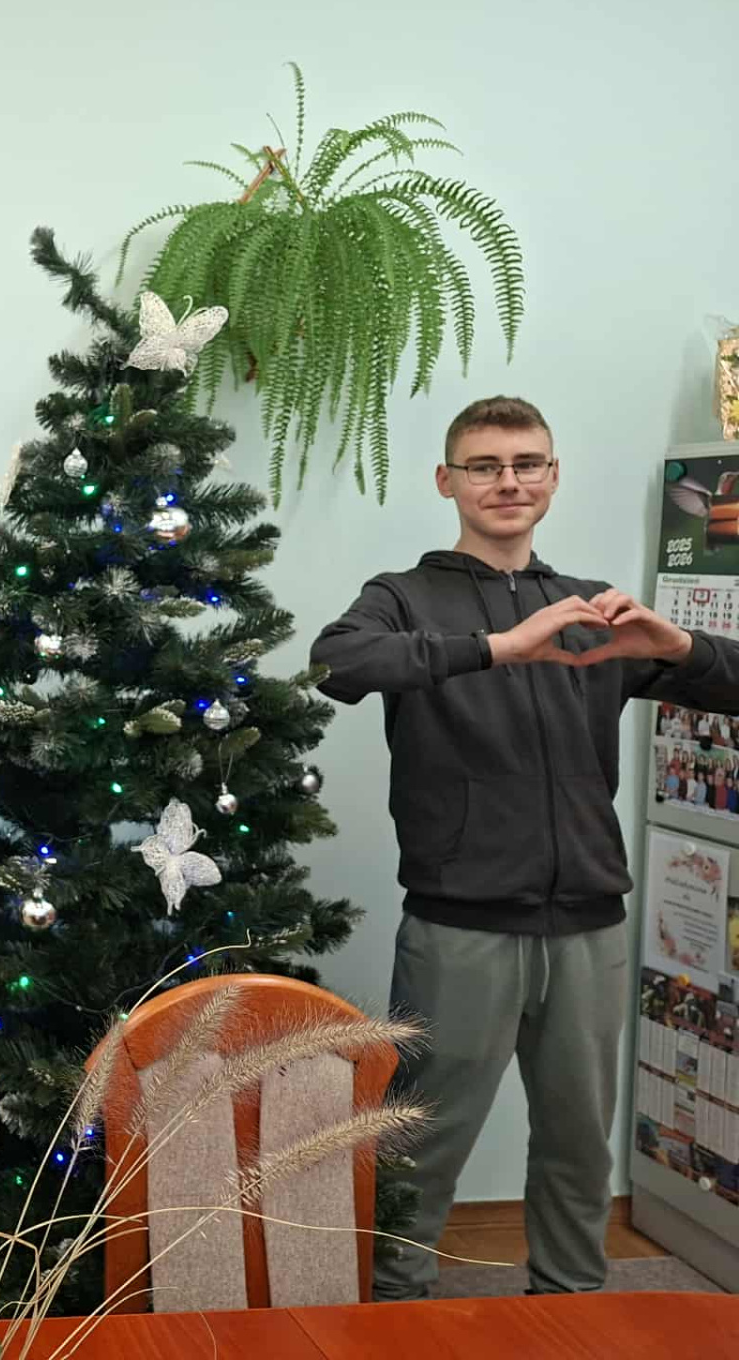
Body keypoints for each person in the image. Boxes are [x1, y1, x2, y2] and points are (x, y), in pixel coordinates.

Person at [311, 395, 739, 1301]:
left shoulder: (589, 606)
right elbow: (337, 664)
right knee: (420, 1149)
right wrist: (501, 648)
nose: (508, 482)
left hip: (590, 927)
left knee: (581, 1149)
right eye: (485, 466)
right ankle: (394, 1317)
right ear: (448, 481)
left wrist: (679, 644)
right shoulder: (403, 596)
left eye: (527, 463)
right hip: (460, 929)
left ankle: (571, 1309)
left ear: (552, 476)